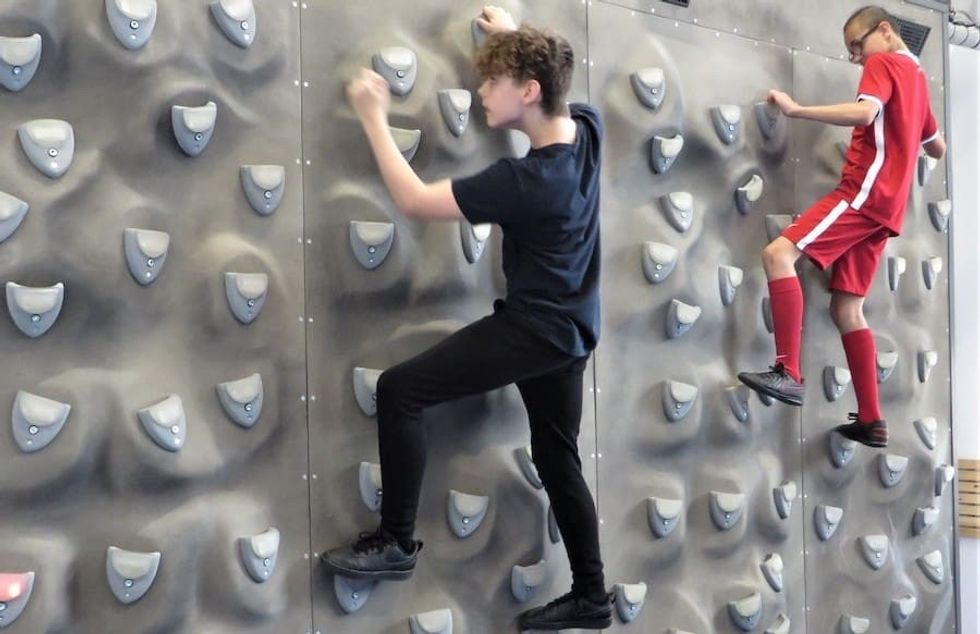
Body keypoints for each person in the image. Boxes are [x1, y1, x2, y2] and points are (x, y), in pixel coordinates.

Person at [320, 6, 611, 630]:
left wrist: (373, 116)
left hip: (535, 329)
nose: (481, 90)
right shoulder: (587, 131)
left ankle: (397, 541)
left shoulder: (525, 181)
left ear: (527, 91)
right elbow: (554, 90)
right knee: (557, 458)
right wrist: (510, 38)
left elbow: (413, 200)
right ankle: (593, 596)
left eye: (492, 80)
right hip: (574, 330)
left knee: (399, 390)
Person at [738, 5, 946, 448]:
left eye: (857, 45)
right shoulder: (918, 78)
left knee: (778, 255)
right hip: (887, 211)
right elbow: (938, 148)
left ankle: (788, 371)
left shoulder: (883, 62)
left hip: (862, 194)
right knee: (847, 309)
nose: (856, 58)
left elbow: (866, 114)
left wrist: (797, 110)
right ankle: (871, 419)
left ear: (884, 31)